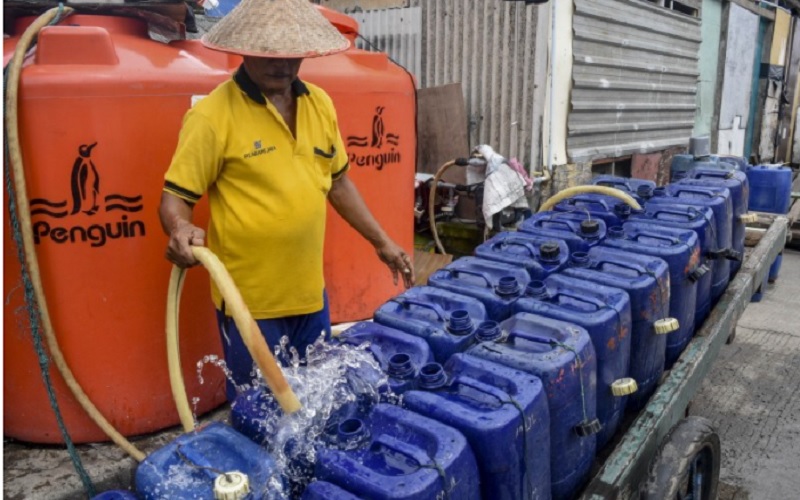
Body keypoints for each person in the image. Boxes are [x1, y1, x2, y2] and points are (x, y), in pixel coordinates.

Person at [159, 0, 414, 401]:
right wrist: (180, 228)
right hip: (249, 305)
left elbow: (339, 182)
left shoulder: (319, 103)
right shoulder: (212, 116)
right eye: (270, 55)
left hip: (310, 296)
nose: (282, 64)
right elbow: (175, 197)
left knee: (315, 404)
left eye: (291, 54)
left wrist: (382, 242)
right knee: (258, 411)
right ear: (245, 49)